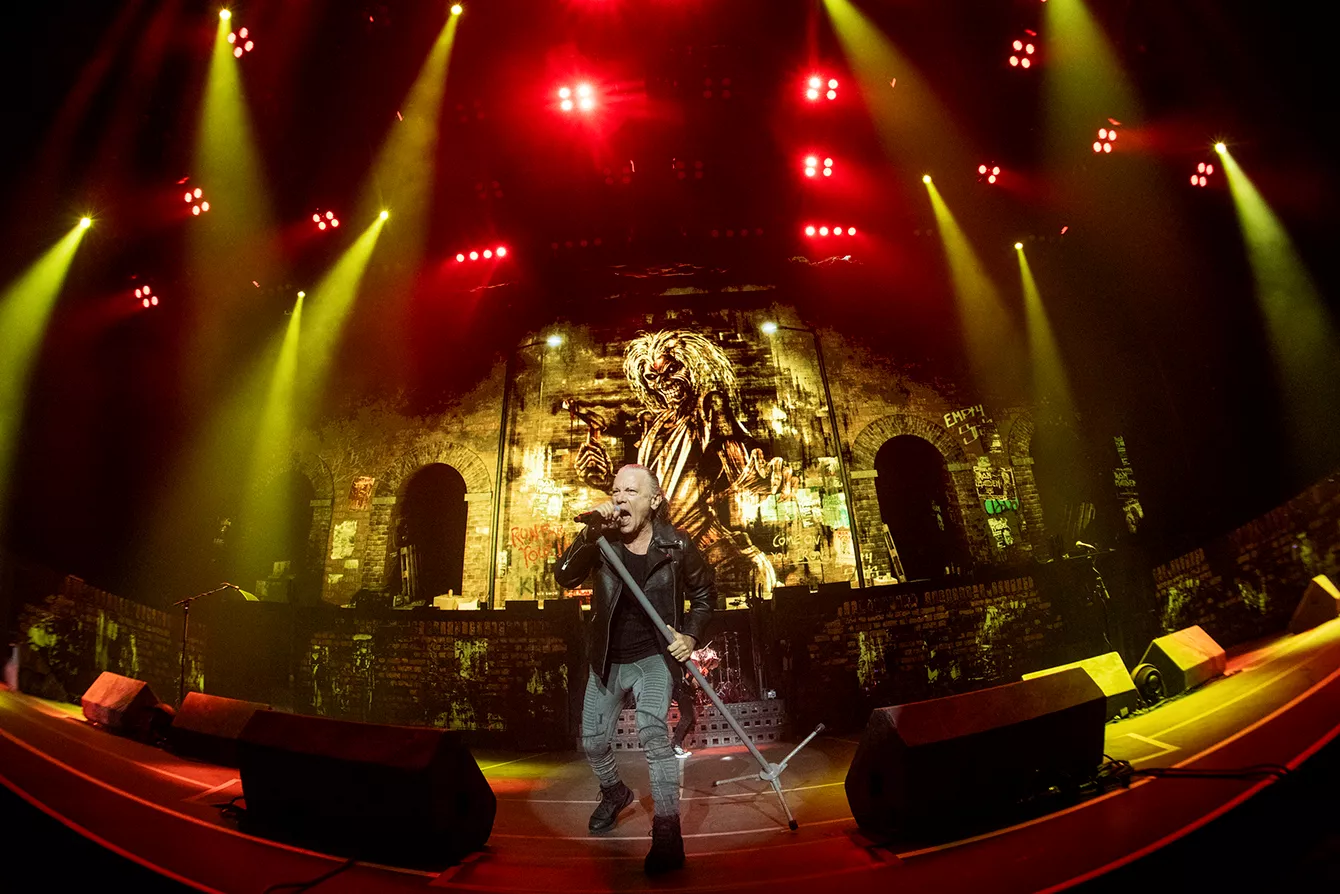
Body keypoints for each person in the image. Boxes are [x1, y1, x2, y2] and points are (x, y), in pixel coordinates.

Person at [555, 463, 715, 875]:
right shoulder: (601, 541)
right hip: (607, 658)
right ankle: (614, 792)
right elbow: (564, 576)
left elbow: (704, 594)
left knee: (654, 735)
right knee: (593, 742)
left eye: (630, 491)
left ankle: (667, 829)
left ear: (654, 501)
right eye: (616, 491)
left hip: (653, 656)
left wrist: (691, 636)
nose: (620, 498)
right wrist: (588, 533)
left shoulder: (677, 544)